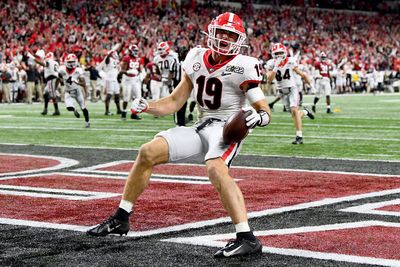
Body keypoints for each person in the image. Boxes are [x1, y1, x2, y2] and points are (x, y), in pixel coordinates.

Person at [87, 12, 271, 258]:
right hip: (202, 124)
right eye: (222, 33)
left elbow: (264, 110)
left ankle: (246, 237)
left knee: (216, 169)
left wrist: (259, 118)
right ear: (211, 33)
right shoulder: (195, 57)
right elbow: (174, 101)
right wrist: (147, 106)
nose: (225, 38)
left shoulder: (244, 65)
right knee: (147, 152)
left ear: (239, 39)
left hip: (225, 127)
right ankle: (121, 218)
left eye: (231, 35)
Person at [267, 43, 315, 145]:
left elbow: (302, 74)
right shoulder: (271, 63)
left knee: (294, 110)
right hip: (282, 91)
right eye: (277, 53)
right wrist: (276, 67)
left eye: (281, 53)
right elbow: (269, 80)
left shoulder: (290, 61)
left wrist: (311, 85)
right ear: (273, 54)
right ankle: (305, 112)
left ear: (285, 53)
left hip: (292, 88)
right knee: (295, 115)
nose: (279, 55)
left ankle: (299, 136)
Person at [59, 54, 91, 128]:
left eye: (73, 62)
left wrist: (77, 82)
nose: (71, 64)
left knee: (83, 107)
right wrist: (61, 82)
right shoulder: (62, 69)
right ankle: (74, 110)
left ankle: (87, 121)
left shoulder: (78, 70)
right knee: (69, 107)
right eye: (69, 62)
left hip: (77, 92)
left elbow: (84, 83)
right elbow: (59, 76)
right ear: (66, 62)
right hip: (68, 92)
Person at [27, 50, 61, 115]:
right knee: (45, 94)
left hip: (51, 79)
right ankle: (45, 109)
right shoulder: (56, 63)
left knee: (53, 95)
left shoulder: (49, 61)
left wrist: (32, 57)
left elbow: (42, 63)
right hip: (54, 79)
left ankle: (57, 110)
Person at [97, 44, 123, 116]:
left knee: (117, 94)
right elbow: (107, 60)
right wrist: (109, 53)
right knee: (109, 94)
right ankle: (107, 110)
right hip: (109, 79)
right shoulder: (108, 58)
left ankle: (118, 109)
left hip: (115, 79)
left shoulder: (115, 59)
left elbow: (119, 51)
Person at [120, 44, 144, 120]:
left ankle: (134, 114)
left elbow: (139, 70)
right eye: (135, 51)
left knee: (138, 97)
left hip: (135, 80)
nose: (136, 52)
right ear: (130, 51)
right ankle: (124, 113)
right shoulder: (126, 58)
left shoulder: (139, 59)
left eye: (137, 51)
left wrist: (140, 74)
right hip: (127, 80)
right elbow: (122, 70)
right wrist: (129, 72)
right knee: (126, 98)